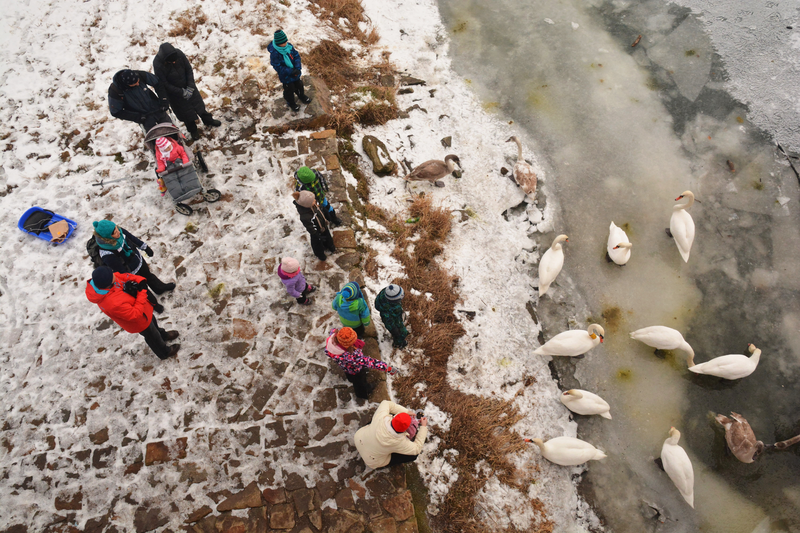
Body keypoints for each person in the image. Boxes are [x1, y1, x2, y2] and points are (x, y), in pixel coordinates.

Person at [85, 266, 180, 360]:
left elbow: (123, 276)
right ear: (108, 284)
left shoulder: (106, 280)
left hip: (144, 309)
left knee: (153, 323)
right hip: (139, 322)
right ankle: (164, 352)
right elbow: (135, 314)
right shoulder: (112, 303)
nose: (114, 273)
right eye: (112, 274)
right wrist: (142, 292)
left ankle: (163, 335)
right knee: (152, 336)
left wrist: (139, 280)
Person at [92, 220, 176, 312]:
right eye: (114, 233)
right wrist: (130, 280)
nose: (118, 232)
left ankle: (159, 288)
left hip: (138, 260)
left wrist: (145, 247)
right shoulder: (107, 253)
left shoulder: (119, 231)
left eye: (116, 228)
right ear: (107, 238)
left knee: (149, 276)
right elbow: (119, 269)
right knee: (143, 289)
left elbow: (132, 238)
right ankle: (154, 304)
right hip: (131, 272)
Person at [153, 42, 222, 140]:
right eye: (171, 62)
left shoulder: (178, 54)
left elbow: (188, 70)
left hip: (189, 87)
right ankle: (193, 130)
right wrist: (181, 92)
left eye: (175, 61)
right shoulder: (158, 64)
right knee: (186, 114)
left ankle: (208, 120)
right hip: (175, 95)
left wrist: (190, 86)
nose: (174, 63)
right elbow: (164, 84)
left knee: (199, 106)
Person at [325, 327, 396, 399]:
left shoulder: (332, 339)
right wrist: (388, 368)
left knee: (349, 375)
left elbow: (333, 330)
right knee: (359, 383)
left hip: (344, 366)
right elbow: (370, 362)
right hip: (355, 370)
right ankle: (362, 394)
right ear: (349, 344)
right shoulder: (352, 356)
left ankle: (350, 379)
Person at [354, 400, 428, 468]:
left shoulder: (382, 416)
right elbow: (417, 448)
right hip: (372, 461)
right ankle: (382, 466)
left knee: (375, 421)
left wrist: (406, 411)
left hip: (358, 438)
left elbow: (386, 403)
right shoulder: (400, 443)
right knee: (413, 456)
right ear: (406, 430)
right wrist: (423, 427)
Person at [268, 29, 311, 112]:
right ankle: (291, 103)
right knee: (289, 90)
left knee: (299, 85)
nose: (285, 44)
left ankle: (301, 96)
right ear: (278, 43)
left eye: (285, 42)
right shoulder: (275, 53)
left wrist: (297, 67)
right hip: (286, 76)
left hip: (295, 73)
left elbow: (296, 56)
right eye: (282, 43)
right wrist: (290, 71)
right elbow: (277, 66)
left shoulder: (289, 47)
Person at [292, 191, 336, 261]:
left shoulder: (314, 205)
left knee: (328, 237)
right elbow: (309, 226)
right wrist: (316, 234)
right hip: (316, 232)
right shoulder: (305, 216)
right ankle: (320, 254)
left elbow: (320, 210)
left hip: (323, 225)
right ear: (307, 205)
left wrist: (326, 214)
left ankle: (330, 246)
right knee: (317, 244)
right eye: (313, 200)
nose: (315, 200)